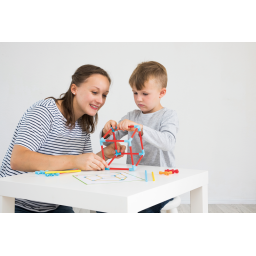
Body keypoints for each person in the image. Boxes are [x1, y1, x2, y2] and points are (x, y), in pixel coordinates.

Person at [0, 64, 126, 213]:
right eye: (94, 92)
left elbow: (82, 164)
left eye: (104, 95)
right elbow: (17, 160)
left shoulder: (83, 122)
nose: (100, 100)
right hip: (15, 203)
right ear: (74, 89)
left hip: (53, 202)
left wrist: (103, 154)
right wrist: (75, 160)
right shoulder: (44, 112)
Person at [101, 61, 179, 213]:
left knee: (142, 211)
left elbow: (168, 142)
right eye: (135, 92)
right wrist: (108, 130)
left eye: (145, 94)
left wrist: (141, 128)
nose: (138, 99)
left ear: (161, 93)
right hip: (134, 181)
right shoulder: (132, 116)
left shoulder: (169, 115)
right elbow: (108, 142)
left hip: (162, 183)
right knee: (105, 207)